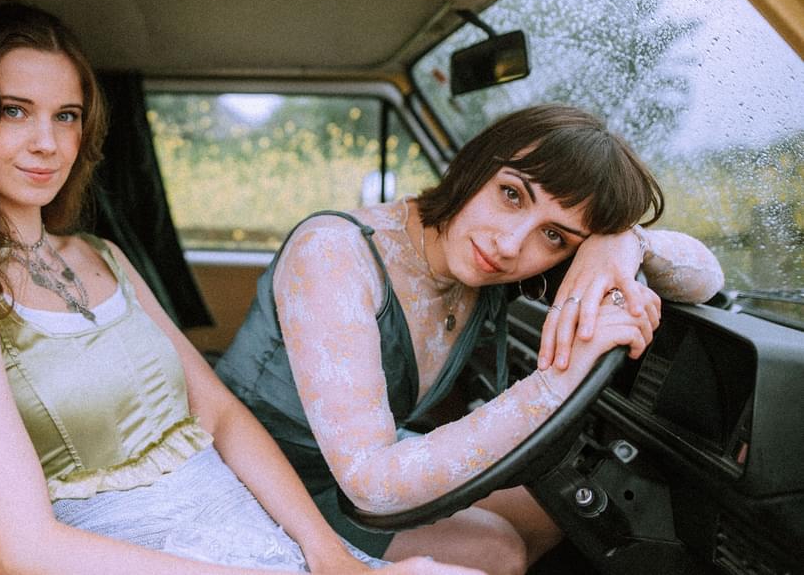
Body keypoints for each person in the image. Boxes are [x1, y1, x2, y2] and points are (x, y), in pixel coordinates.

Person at [0, 3, 482, 575]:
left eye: (66, 116)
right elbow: (25, 547)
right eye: (14, 110)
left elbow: (224, 416)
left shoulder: (102, 255)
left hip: (246, 528)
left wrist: (324, 552)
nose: (47, 143)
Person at [215, 104, 725, 575]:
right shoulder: (333, 254)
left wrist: (624, 244)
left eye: (555, 235)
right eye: (511, 194)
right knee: (497, 550)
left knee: (552, 511)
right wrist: (556, 382)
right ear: (475, 164)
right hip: (262, 480)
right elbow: (371, 486)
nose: (508, 245)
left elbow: (707, 277)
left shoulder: (486, 264)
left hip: (348, 470)